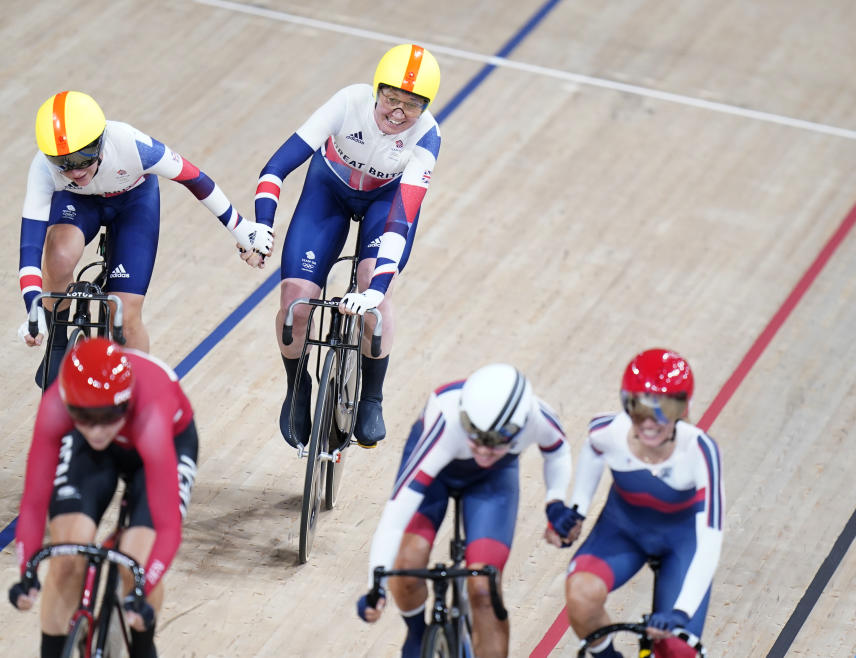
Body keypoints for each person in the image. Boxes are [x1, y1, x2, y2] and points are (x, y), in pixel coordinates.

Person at [253, 44, 442, 448]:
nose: (397, 112)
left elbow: (400, 220)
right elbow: (276, 168)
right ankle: (298, 387)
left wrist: (373, 291)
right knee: (294, 302)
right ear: (377, 91)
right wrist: (263, 226)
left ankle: (372, 397)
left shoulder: (427, 135)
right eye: (391, 98)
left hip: (385, 204)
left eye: (410, 105)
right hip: (330, 191)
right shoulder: (348, 102)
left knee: (379, 294)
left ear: (425, 107)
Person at [18, 90, 273, 387]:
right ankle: (57, 342)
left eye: (83, 159)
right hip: (79, 205)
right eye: (64, 163)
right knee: (59, 255)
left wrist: (241, 228)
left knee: (125, 313)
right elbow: (30, 246)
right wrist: (32, 307)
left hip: (133, 203)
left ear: (100, 142)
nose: (75, 171)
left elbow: (196, 179)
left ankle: (137, 395)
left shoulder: (131, 144)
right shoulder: (43, 168)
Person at [357, 363, 575, 658]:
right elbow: (395, 516)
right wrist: (376, 587)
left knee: (485, 590)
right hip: (436, 473)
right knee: (408, 563)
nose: (483, 450)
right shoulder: (446, 423)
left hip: (492, 483)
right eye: (474, 435)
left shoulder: (538, 417)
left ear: (519, 427)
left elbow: (558, 452)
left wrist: (555, 501)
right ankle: (418, 634)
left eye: (496, 441)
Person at [7, 337, 199, 658]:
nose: (96, 431)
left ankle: (142, 647)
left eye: (108, 415)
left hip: (163, 443)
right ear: (68, 404)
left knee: (135, 563)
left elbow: (168, 529)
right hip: (99, 453)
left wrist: (142, 587)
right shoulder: (56, 406)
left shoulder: (151, 415)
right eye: (83, 416)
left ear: (124, 403)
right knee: (66, 557)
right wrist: (28, 573)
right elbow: (33, 503)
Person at [546, 348, 724, 658]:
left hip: (682, 544)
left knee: (677, 649)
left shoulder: (700, 451)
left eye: (663, 409)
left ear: (683, 408)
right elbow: (593, 449)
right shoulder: (610, 431)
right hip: (624, 532)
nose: (649, 422)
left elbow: (710, 541)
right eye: (638, 407)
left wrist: (680, 613)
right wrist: (578, 511)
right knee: (580, 595)